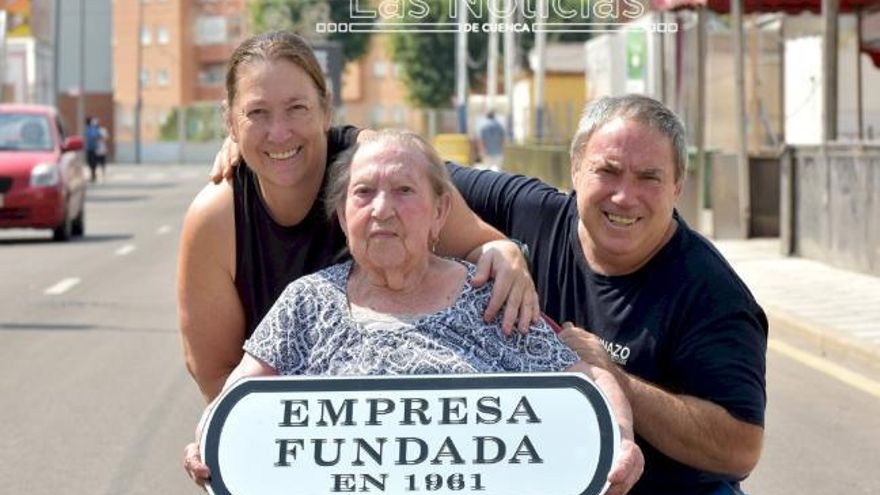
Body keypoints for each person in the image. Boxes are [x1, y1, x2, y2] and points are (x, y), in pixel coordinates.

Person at [183, 129, 644, 494]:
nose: (383, 209)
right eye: (363, 193)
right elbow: (238, 397)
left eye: (404, 190)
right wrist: (210, 441)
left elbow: (586, 380)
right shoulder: (306, 303)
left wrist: (621, 439)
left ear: (440, 212)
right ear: (344, 218)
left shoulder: (489, 298)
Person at [179, 31, 540, 405]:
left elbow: (479, 244)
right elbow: (217, 376)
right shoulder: (216, 218)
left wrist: (505, 253)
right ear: (230, 122)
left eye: (297, 108)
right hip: (291, 437)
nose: (279, 132)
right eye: (257, 113)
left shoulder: (375, 169)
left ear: (326, 108)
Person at [449, 95, 767, 494]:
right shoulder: (530, 212)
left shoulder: (713, 293)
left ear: (677, 187)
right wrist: (491, 245)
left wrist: (614, 379)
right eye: (608, 171)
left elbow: (739, 449)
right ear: (576, 169)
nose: (624, 196)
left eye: (649, 178)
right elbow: (408, 172)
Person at [84, 117, 101, 182]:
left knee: (92, 162)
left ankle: (93, 175)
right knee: (90, 162)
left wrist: (94, 139)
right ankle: (92, 174)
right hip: (89, 148)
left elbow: (96, 135)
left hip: (93, 148)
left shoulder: (92, 128)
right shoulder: (88, 129)